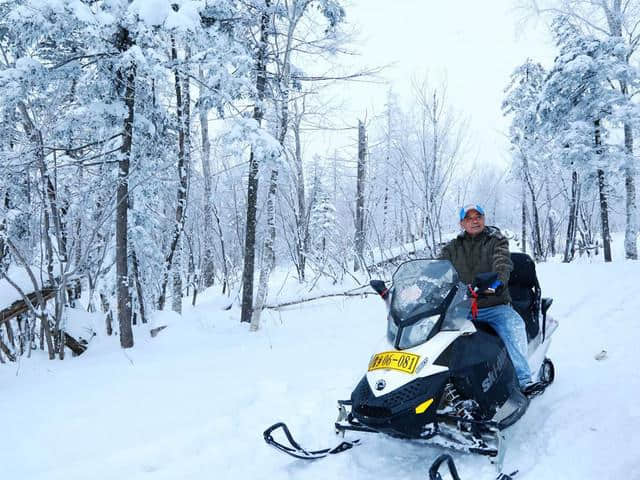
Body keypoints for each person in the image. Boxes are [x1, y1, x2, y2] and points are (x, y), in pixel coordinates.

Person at [438, 204, 532, 390]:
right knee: (434, 335)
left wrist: (496, 284)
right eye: (469, 218)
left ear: (484, 218)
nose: (475, 220)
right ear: (462, 223)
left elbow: (503, 264)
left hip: (493, 304)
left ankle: (523, 380)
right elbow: (437, 268)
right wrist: (418, 287)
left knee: (514, 325)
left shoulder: (496, 241)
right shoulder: (453, 247)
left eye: (478, 216)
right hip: (462, 307)